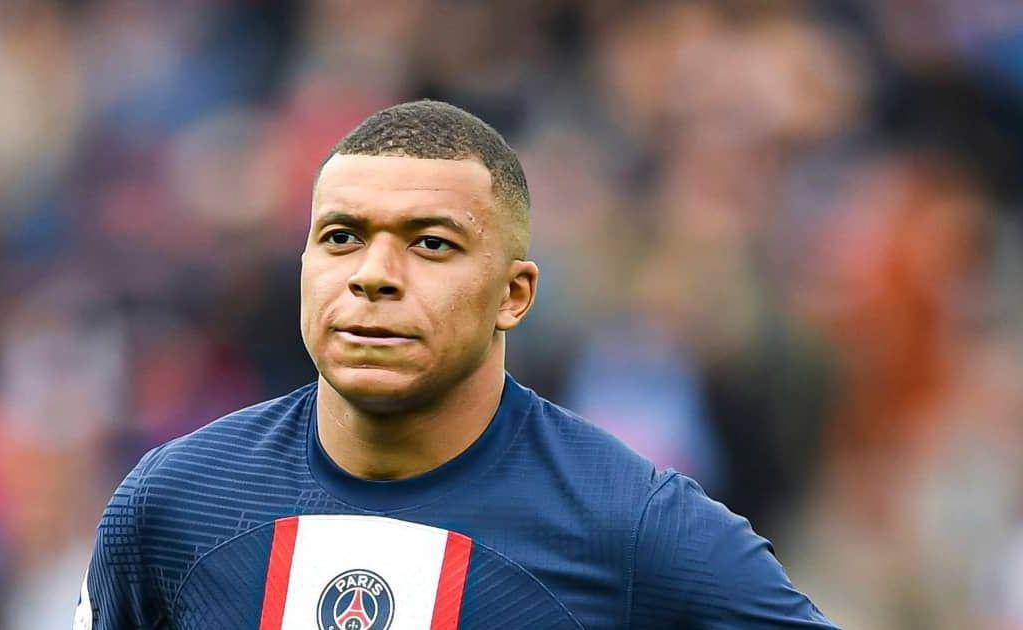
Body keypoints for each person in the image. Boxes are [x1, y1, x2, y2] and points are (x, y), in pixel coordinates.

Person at [74, 100, 838, 629]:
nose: (373, 274)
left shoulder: (634, 527)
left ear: (513, 294)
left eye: (430, 243)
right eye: (341, 237)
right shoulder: (173, 502)